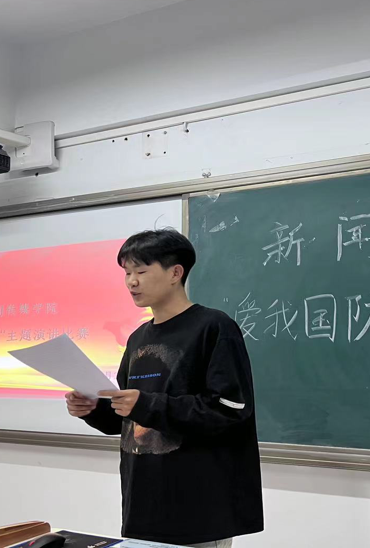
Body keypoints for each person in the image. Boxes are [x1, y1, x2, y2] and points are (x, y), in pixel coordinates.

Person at [66, 229, 263, 548]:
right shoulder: (138, 338)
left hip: (198, 508)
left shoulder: (213, 327)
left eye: (141, 271)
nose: (131, 282)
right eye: (127, 273)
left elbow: (228, 410)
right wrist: (94, 409)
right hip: (143, 502)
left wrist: (145, 404)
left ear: (175, 273)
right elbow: (128, 417)